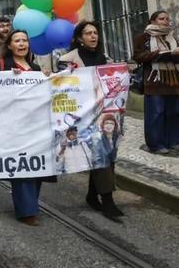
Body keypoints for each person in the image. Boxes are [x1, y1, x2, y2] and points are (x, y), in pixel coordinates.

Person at [57, 21, 123, 220]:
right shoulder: (67, 59)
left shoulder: (105, 58)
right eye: (88, 33)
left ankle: (92, 196)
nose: (93, 36)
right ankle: (108, 201)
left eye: (95, 33)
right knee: (100, 152)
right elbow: (63, 88)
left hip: (106, 114)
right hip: (83, 117)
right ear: (79, 38)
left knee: (109, 154)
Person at [0, 29, 56, 226]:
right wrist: (8, 79)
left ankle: (30, 204)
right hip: (15, 125)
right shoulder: (3, 65)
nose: (22, 44)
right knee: (21, 167)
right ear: (10, 45)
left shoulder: (36, 68)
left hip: (37, 124)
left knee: (37, 164)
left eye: (24, 41)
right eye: (17, 41)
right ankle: (26, 210)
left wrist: (48, 79)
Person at [133, 11, 179, 154]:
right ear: (153, 21)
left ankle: (175, 141)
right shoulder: (143, 37)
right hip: (154, 81)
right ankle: (156, 144)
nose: (165, 21)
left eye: (167, 19)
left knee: (177, 113)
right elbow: (138, 57)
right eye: (161, 18)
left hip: (174, 81)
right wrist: (159, 54)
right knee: (156, 113)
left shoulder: (172, 37)